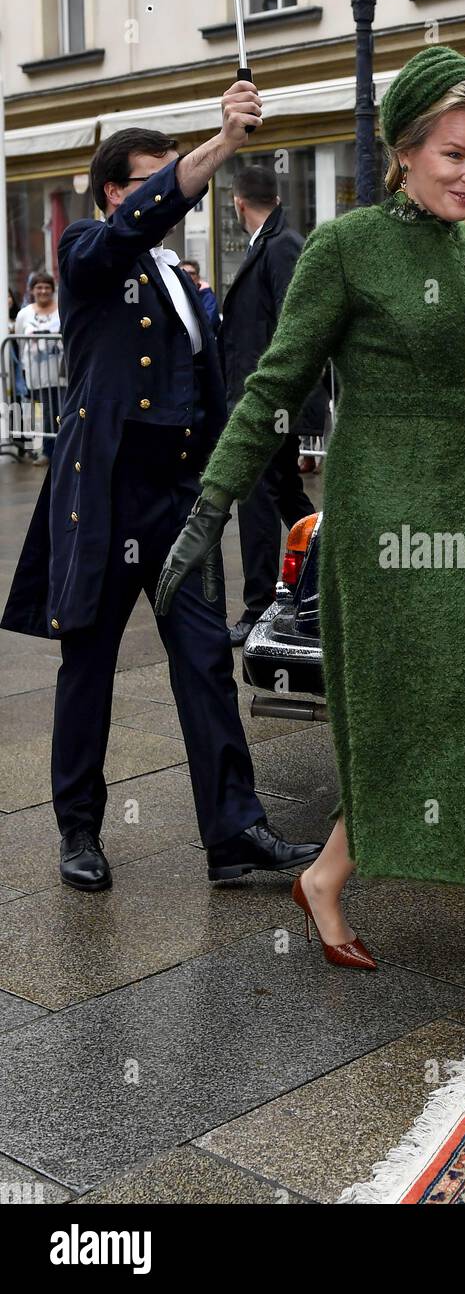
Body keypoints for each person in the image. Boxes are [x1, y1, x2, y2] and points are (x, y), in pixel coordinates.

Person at [155, 45, 465, 1066]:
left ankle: (323, 878)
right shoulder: (347, 248)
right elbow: (274, 386)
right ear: (401, 149)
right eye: (453, 154)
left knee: (435, 716)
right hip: (388, 533)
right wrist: (213, 502)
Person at [0, 84, 322, 893]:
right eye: (155, 178)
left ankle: (233, 830)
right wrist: (217, 144)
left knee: (206, 659)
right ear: (117, 190)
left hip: (178, 497)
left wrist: (228, 474)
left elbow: (206, 384)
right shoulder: (86, 249)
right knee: (90, 664)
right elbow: (133, 226)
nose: (175, 192)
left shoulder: (182, 278)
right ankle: (79, 828)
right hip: (104, 494)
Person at [219, 164, 315, 646]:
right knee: (282, 493)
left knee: (256, 500)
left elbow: (292, 326)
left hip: (268, 401)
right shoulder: (271, 242)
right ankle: (327, 568)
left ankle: (258, 607)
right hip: (265, 398)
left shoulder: (281, 245)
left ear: (238, 202)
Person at [14, 271, 63, 465]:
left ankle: (66, 450)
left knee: (64, 412)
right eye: (39, 287)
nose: (43, 291)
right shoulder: (24, 314)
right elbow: (19, 341)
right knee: (47, 414)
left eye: (47, 287)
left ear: (53, 290)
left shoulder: (62, 309)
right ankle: (49, 452)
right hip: (37, 375)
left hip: (62, 373)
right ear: (32, 290)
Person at [179, 259, 221, 333]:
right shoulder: (175, 295)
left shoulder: (207, 297)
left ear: (198, 277)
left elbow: (209, 322)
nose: (187, 275)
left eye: (191, 273)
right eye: (183, 272)